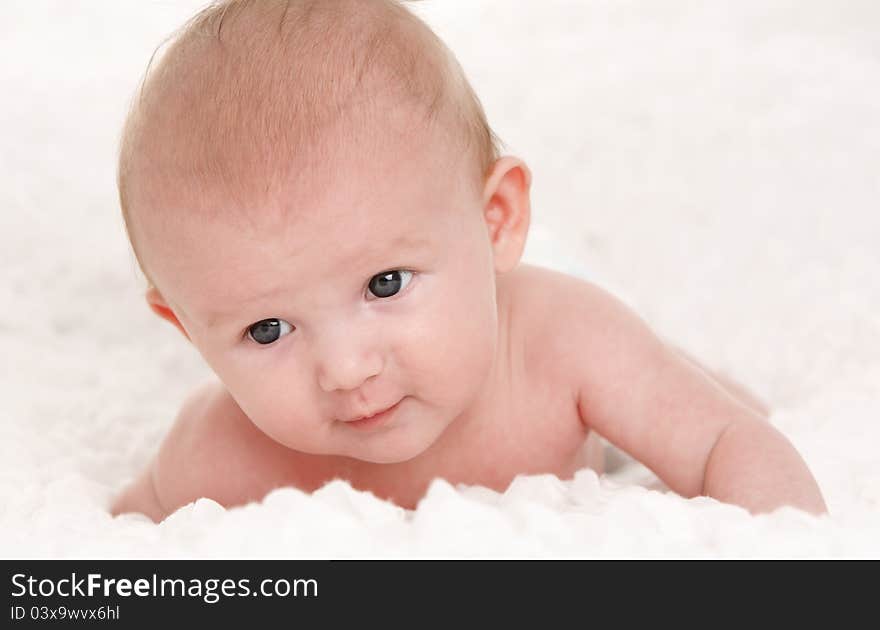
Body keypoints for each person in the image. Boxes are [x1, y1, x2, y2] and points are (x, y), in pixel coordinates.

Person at [110, 0, 826, 523]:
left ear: (496, 222)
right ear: (186, 328)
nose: (347, 369)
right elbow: (104, 553)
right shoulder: (212, 457)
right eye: (267, 330)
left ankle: (676, 367)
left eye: (384, 285)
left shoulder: (559, 345)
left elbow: (729, 445)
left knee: (653, 379)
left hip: (575, 370)